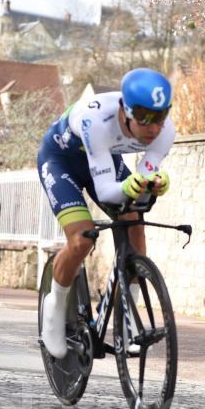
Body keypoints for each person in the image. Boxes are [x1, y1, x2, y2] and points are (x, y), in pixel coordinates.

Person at [37, 68, 176, 358]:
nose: (153, 127)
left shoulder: (165, 132)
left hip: (103, 160)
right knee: (82, 239)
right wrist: (134, 185)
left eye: (160, 116)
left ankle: (124, 320)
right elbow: (105, 191)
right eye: (144, 117)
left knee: (135, 226)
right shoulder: (95, 119)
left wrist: (153, 185)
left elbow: (140, 185)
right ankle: (55, 307)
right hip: (61, 161)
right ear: (125, 110)